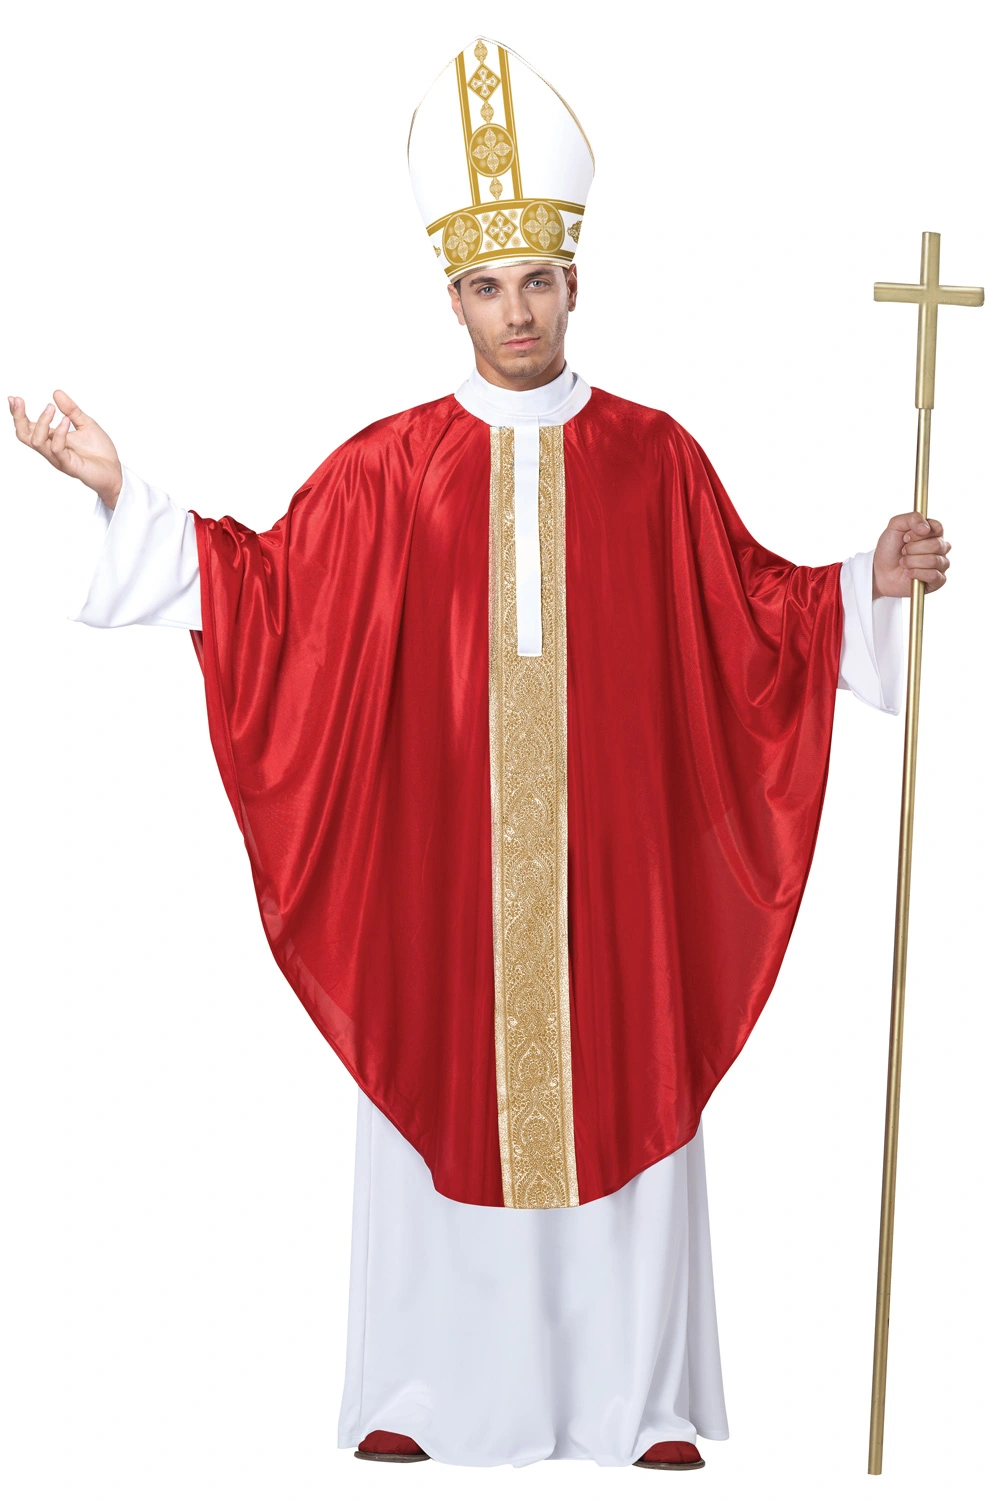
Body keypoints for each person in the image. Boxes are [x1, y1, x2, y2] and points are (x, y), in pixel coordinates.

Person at [8, 37, 950, 1473]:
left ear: (577, 283)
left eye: (538, 282)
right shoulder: (391, 467)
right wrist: (124, 490)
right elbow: (270, 594)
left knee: (618, 1072)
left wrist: (858, 583)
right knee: (440, 1078)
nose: (517, 312)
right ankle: (426, 1391)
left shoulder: (655, 459)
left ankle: (638, 1405)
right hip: (444, 871)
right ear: (450, 296)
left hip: (614, 878)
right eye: (489, 287)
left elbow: (750, 614)